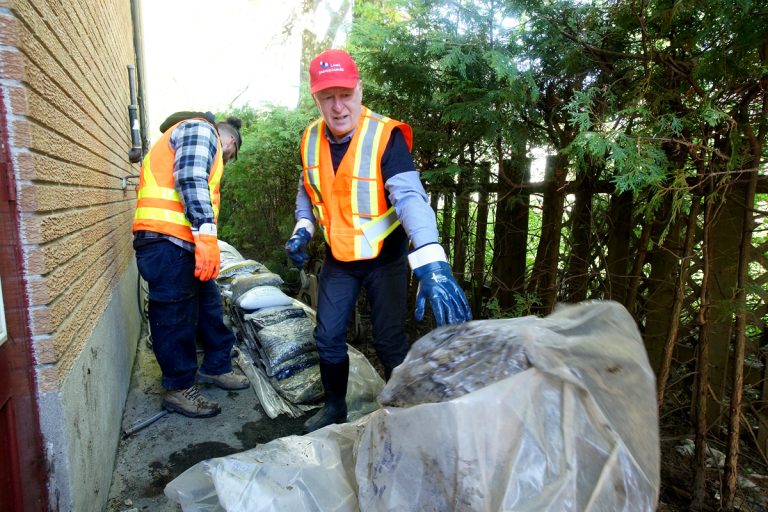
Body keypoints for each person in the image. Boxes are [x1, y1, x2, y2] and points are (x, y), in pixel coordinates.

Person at [285, 49, 471, 433]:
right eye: (327, 97)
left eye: (345, 94)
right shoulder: (309, 138)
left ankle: (409, 414)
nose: (338, 107)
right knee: (327, 337)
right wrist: (302, 227)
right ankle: (336, 407)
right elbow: (309, 189)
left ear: (359, 89)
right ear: (315, 98)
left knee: (388, 341)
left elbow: (409, 196)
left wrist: (432, 258)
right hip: (339, 259)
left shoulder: (385, 136)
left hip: (385, 258)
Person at [132, 112, 249, 418]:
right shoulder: (201, 130)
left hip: (183, 241)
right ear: (231, 141)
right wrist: (207, 233)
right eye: (231, 154)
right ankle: (179, 388)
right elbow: (190, 177)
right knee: (175, 313)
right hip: (166, 242)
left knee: (209, 304)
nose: (227, 158)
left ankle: (215, 366)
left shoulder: (193, 134)